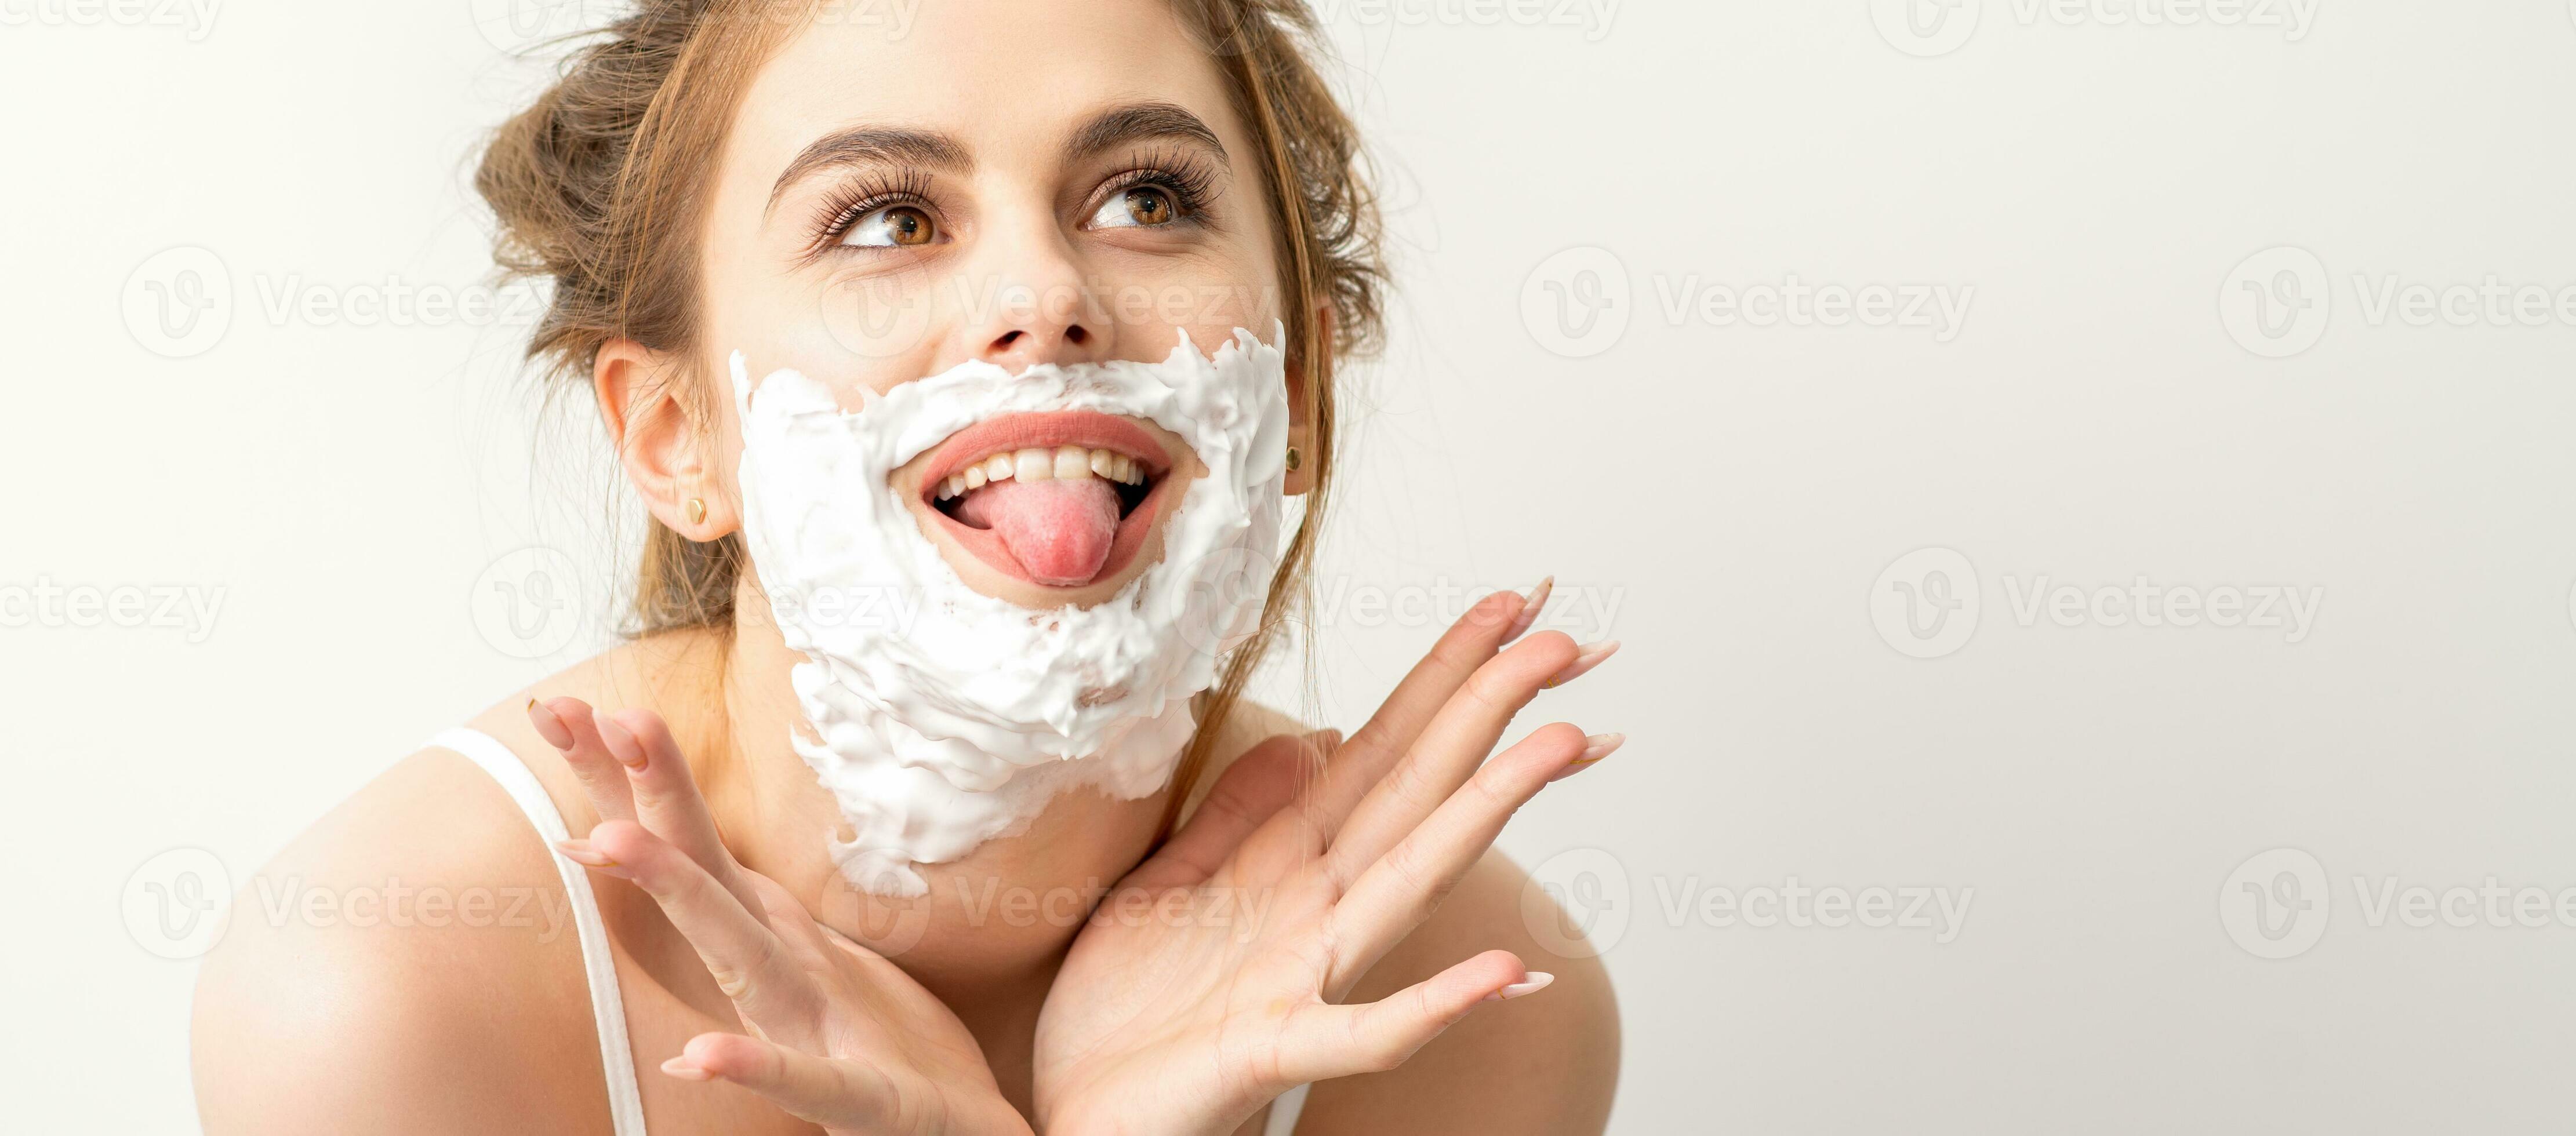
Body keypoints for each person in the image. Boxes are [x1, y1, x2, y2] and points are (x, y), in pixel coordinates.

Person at [188, 2, 1623, 1131]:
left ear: (1296, 394)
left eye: (1144, 198)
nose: (1046, 298)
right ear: (679, 434)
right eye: (889, 218)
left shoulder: (1465, 1006)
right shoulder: (396, 988)